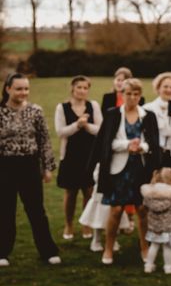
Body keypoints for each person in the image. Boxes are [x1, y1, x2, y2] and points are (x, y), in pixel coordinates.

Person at [89, 78, 161, 265]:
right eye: (128, 93)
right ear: (122, 94)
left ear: (140, 96)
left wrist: (142, 147)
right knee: (116, 210)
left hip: (141, 168)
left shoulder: (148, 115)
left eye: (136, 94)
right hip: (117, 169)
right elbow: (106, 143)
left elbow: (154, 143)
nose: (132, 97)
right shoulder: (113, 115)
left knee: (142, 209)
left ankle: (145, 248)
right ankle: (108, 248)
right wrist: (127, 145)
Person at [0, 73, 61, 266]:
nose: (23, 92)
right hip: (5, 166)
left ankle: (48, 251)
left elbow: (44, 140)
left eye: (26, 88)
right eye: (18, 88)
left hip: (30, 166)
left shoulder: (36, 111)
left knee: (36, 210)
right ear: (8, 89)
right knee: (5, 210)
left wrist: (47, 167)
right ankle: (2, 253)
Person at [54, 76, 103, 240]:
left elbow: (100, 129)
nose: (82, 91)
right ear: (73, 89)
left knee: (89, 191)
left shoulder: (93, 105)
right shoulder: (62, 108)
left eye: (85, 88)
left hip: (89, 155)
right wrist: (77, 125)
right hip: (70, 156)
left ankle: (86, 224)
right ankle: (69, 224)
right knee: (71, 192)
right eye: (79, 87)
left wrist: (86, 126)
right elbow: (60, 132)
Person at [100, 67, 144, 232]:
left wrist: (138, 145)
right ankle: (112, 229)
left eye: (123, 79)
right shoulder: (110, 102)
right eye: (117, 79)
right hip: (116, 155)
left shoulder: (142, 108)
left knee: (136, 197)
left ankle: (130, 220)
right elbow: (108, 130)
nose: (119, 82)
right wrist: (126, 144)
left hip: (136, 157)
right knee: (116, 202)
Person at [141, 167, 171, 274]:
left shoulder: (150, 194)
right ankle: (168, 266)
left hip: (154, 226)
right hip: (168, 226)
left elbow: (145, 205)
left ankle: (148, 266)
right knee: (167, 247)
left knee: (154, 245)